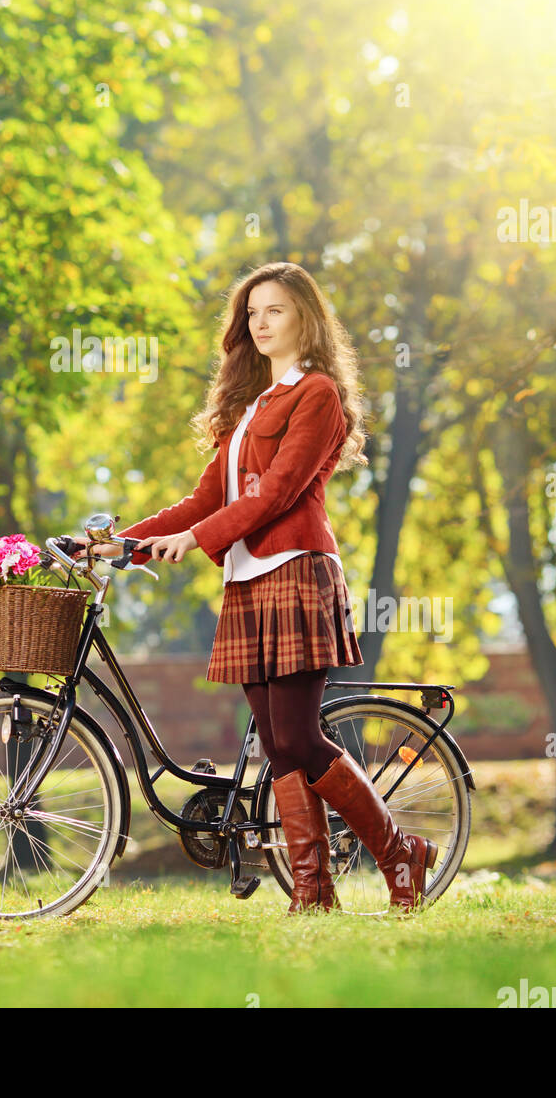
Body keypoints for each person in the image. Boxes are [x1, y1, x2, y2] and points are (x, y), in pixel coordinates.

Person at [96, 261, 436, 913]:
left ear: (305, 318)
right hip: (247, 584)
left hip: (298, 572)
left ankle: (399, 853)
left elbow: (278, 492)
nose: (259, 323)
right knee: (279, 743)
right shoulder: (251, 408)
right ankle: (312, 890)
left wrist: (196, 541)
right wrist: (124, 543)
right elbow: (203, 498)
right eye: (251, 313)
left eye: (274, 310)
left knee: (302, 739)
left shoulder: (318, 396)